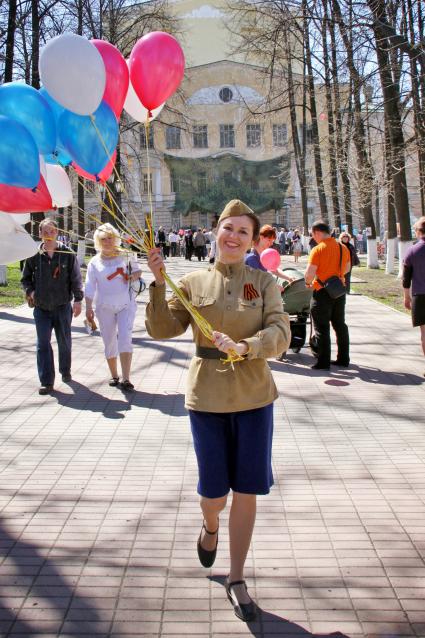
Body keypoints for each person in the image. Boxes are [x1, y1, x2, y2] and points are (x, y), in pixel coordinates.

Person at [145, 199, 290, 622]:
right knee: (214, 493)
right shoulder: (192, 282)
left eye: (243, 232)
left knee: (247, 489)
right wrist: (157, 282)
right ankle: (209, 526)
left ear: (251, 240)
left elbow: (280, 331)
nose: (234, 236)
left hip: (254, 397)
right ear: (215, 231)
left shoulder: (263, 284)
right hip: (206, 397)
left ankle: (237, 576)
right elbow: (162, 328)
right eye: (228, 228)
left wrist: (248, 346)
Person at [21, 219, 83, 395]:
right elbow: (25, 279)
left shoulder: (67, 253)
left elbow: (76, 279)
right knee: (42, 344)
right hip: (41, 308)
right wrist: (31, 293)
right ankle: (46, 381)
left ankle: (65, 370)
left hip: (63, 306)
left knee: (64, 341)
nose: (49, 235)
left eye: (52, 231)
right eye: (45, 232)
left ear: (57, 232)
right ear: (40, 233)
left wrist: (78, 300)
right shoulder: (34, 254)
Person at [84, 223, 141, 391]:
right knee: (109, 341)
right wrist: (88, 308)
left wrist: (131, 276)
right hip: (104, 307)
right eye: (103, 239)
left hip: (126, 305)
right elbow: (89, 286)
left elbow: (138, 272)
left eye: (110, 238)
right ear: (98, 241)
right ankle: (114, 375)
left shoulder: (126, 255)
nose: (107, 241)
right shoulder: (94, 262)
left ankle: (126, 378)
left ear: (115, 238)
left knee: (125, 338)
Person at [304, 220, 351, 370]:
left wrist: (308, 283)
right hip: (338, 291)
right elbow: (347, 268)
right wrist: (335, 276)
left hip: (322, 292)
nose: (313, 238)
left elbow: (309, 273)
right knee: (340, 325)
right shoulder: (343, 247)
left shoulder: (318, 249)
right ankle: (343, 358)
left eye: (313, 235)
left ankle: (323, 361)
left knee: (322, 327)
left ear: (317, 232)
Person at [402, 216, 425, 372]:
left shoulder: (412, 250)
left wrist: (406, 297)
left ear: (418, 231)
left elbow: (406, 278)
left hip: (420, 296)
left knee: (424, 333)